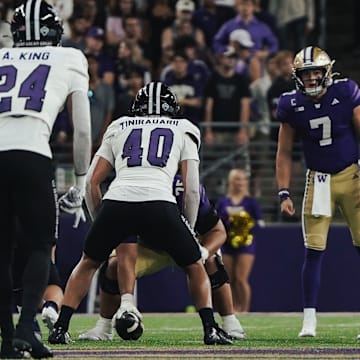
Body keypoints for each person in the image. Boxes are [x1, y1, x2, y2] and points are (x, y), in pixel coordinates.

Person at [48, 81, 232, 346]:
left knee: (88, 262)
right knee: (195, 265)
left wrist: (101, 219)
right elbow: (191, 189)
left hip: (118, 199)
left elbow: (91, 182)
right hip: (159, 200)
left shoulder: (119, 125)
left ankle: (61, 327)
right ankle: (210, 329)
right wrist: (188, 229)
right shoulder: (184, 127)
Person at [0, 1, 91, 358]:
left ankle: (8, 341)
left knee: (3, 252)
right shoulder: (69, 58)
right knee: (40, 245)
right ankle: (26, 330)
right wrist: (81, 181)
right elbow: (82, 129)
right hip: (32, 153)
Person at [78, 174, 246, 341]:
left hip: (185, 244)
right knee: (114, 265)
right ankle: (104, 326)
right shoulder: (135, 188)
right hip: (150, 248)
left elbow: (218, 231)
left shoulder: (186, 189)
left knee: (211, 261)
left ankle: (229, 320)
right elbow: (126, 242)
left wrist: (205, 251)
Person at [275, 46, 360, 337]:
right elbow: (284, 152)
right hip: (319, 180)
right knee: (313, 250)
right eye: (305, 73)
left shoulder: (346, 92)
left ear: (327, 72)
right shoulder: (290, 104)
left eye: (315, 72)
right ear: (297, 76)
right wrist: (284, 191)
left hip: (353, 176)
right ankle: (309, 320)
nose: (311, 78)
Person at [216, 168, 264, 313]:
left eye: (243, 179)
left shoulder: (251, 202)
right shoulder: (223, 202)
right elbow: (216, 221)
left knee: (241, 278)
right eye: (237, 179)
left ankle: (245, 309)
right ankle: (233, 308)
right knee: (229, 278)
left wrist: (244, 226)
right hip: (226, 243)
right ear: (231, 181)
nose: (240, 183)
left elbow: (259, 223)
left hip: (246, 244)